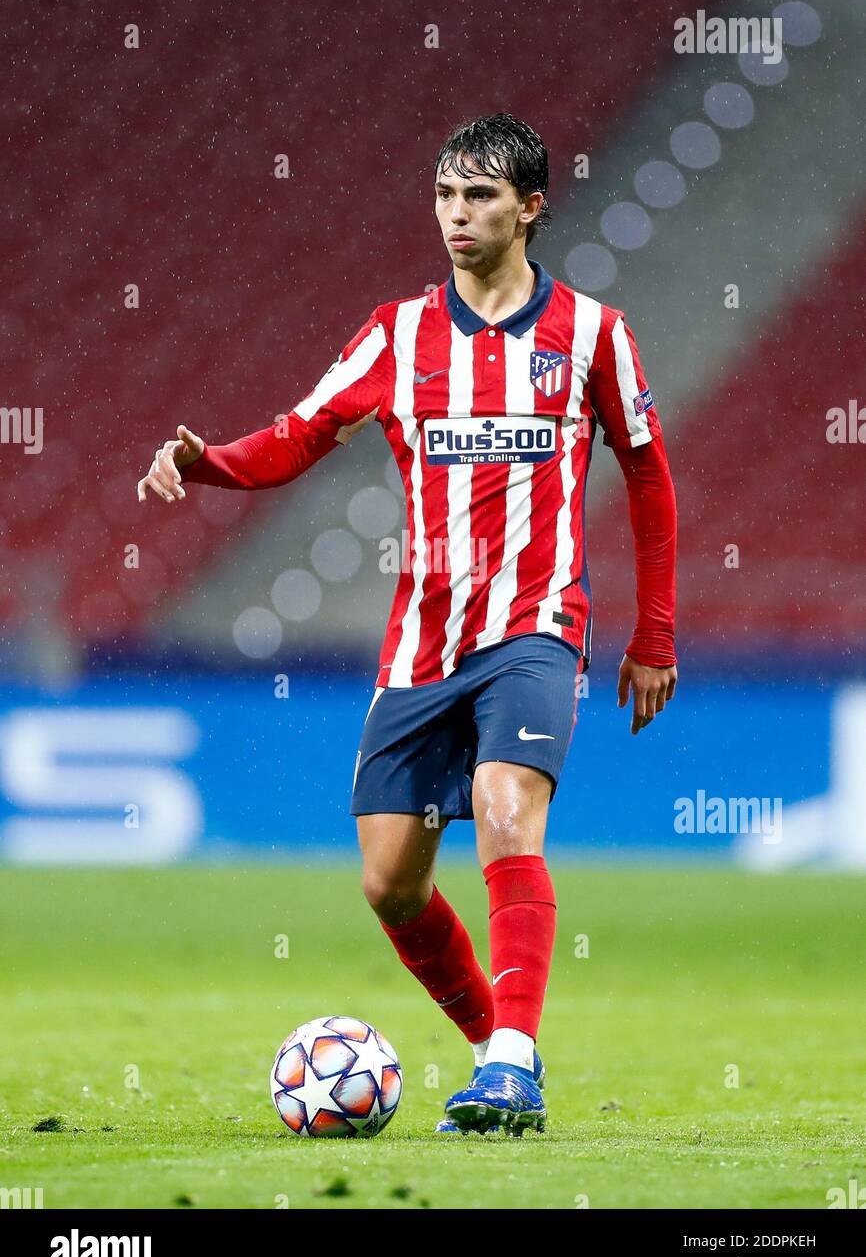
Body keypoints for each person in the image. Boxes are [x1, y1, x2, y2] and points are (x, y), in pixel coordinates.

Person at [137, 113, 678, 1135]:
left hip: (535, 626)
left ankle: (512, 1059)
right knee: (389, 883)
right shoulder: (397, 334)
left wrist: (652, 635)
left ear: (529, 207)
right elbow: (300, 436)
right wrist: (205, 460)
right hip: (421, 645)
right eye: (442, 194)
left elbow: (647, 474)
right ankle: (493, 1046)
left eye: (477, 195)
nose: (455, 214)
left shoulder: (594, 335)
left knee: (504, 805)